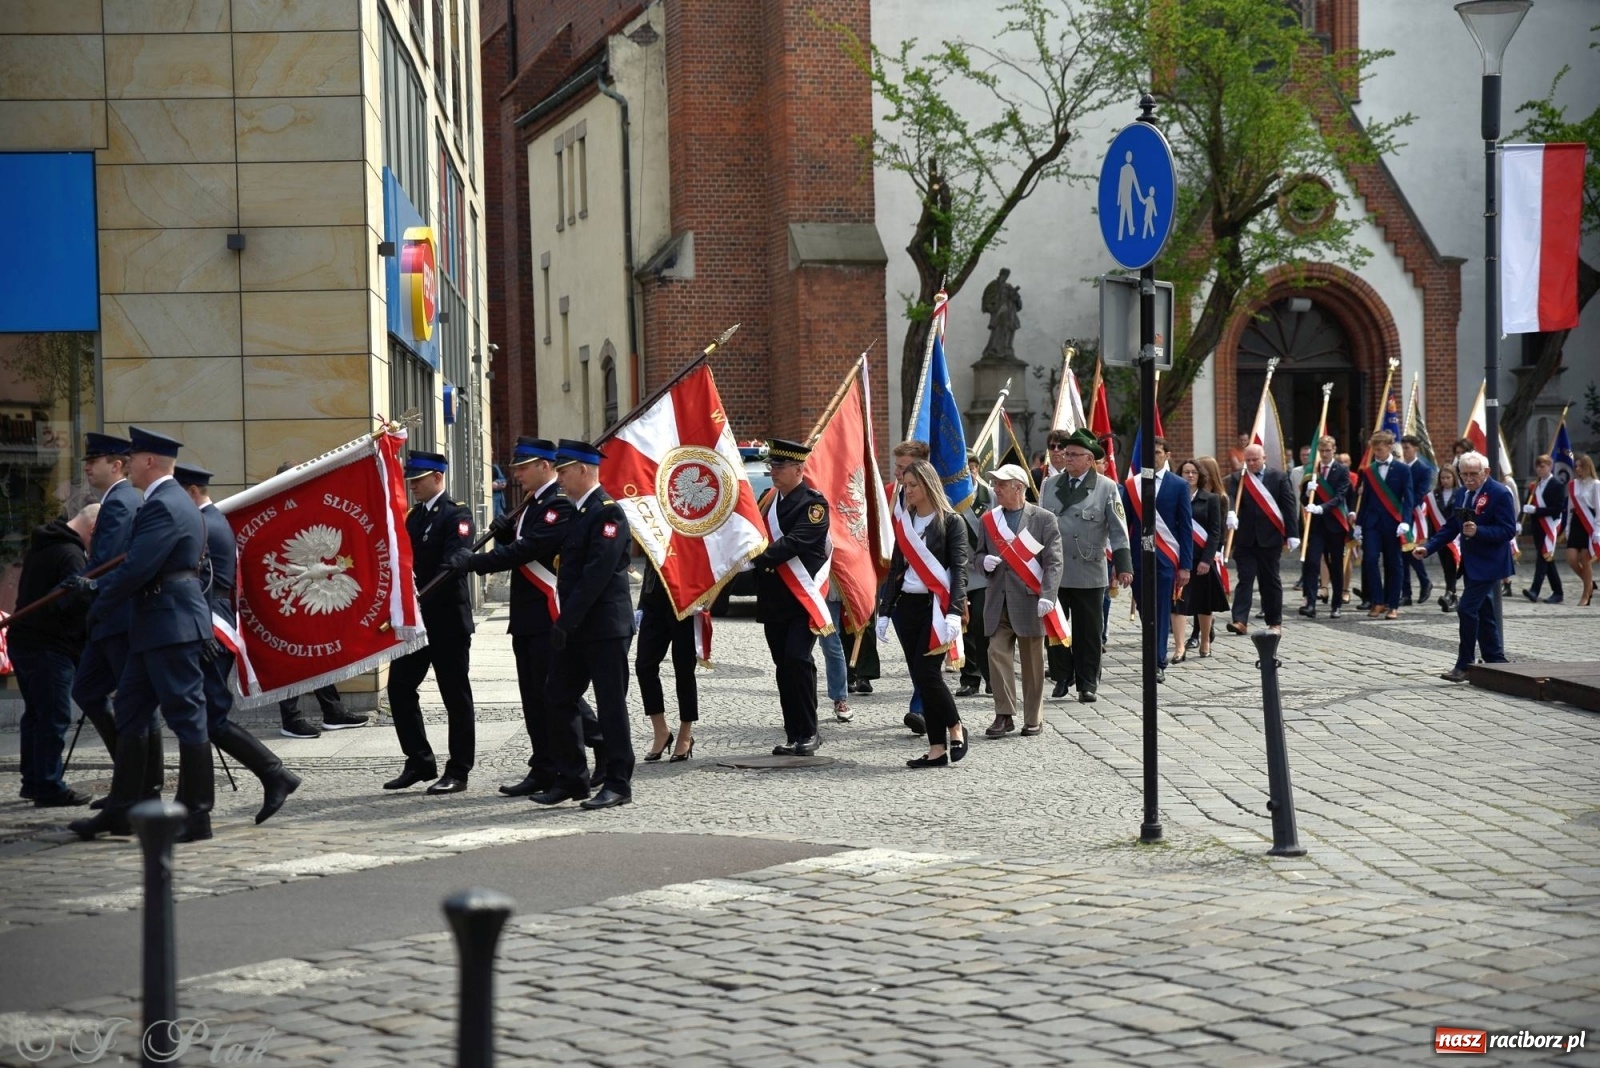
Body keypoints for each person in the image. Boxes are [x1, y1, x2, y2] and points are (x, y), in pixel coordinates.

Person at [68, 427, 214, 842]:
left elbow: (137, 567)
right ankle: (123, 809)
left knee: (186, 716)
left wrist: (96, 594)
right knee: (131, 710)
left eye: (132, 457)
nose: (127, 464)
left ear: (149, 461)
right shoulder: (166, 501)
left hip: (170, 623)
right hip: (156, 622)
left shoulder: (164, 504)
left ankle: (196, 813)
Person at [460, 437, 604, 795]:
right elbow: (523, 542)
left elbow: (530, 549)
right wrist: (507, 531)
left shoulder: (558, 504)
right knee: (534, 698)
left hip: (547, 613)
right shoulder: (531, 503)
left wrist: (475, 562)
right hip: (526, 615)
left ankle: (601, 743)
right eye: (516, 468)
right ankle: (543, 767)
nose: (517, 474)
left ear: (545, 466)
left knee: (556, 693)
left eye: (524, 467)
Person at [175, 463, 301, 825]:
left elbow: (200, 584)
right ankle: (189, 802)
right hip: (210, 622)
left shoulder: (204, 524)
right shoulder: (210, 520)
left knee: (207, 717)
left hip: (210, 626)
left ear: (191, 491)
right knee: (198, 717)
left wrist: (200, 629)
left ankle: (274, 773)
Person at [530, 440, 638, 809]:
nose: (558, 478)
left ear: (583, 470)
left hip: (605, 627)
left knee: (610, 706)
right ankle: (572, 778)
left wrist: (566, 620)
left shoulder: (608, 514)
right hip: (577, 627)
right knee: (558, 695)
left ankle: (618, 783)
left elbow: (596, 574)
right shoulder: (579, 512)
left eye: (563, 471)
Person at [69, 432, 161, 804]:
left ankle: (144, 786)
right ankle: (133, 777)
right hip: (108, 619)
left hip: (118, 618)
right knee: (88, 691)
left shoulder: (121, 501)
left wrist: (79, 589)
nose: (88, 468)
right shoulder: (117, 500)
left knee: (135, 703)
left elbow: (106, 564)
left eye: (94, 461)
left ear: (117, 465)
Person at [383, 451, 477, 794]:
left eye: (418, 481)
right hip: (418, 623)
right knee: (399, 688)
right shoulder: (414, 516)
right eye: (410, 481)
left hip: (447, 620)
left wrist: (420, 594)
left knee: (455, 695)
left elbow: (453, 560)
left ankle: (459, 770)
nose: (413, 487)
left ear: (438, 478)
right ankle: (419, 760)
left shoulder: (457, 514)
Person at [877, 458, 970, 768]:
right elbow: (895, 570)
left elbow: (959, 571)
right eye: (905, 485)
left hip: (936, 608)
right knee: (920, 676)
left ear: (929, 485)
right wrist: (885, 611)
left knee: (927, 673)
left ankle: (955, 726)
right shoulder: (906, 521)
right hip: (908, 607)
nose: (908, 490)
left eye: (913, 485)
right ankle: (936, 748)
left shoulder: (952, 522)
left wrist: (954, 612)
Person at [11, 504, 99, 807]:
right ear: (93, 529)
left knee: (36, 714)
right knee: (53, 715)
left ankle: (33, 781)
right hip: (49, 644)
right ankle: (48, 786)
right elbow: (72, 605)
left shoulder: (44, 544)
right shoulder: (71, 554)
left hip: (25, 639)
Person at [750, 438, 832, 756]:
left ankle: (810, 731)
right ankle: (793, 733)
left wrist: (756, 559)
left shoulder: (813, 505)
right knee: (783, 666)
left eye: (780, 466)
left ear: (798, 470)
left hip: (800, 598)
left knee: (798, 659)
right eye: (772, 465)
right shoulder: (767, 501)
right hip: (773, 599)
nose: (773, 471)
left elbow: (796, 542)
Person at [1040, 429, 1131, 702]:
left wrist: (1123, 565)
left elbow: (1118, 529)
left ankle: (1087, 682)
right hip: (1055, 569)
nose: (1066, 457)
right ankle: (1061, 676)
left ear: (1090, 459)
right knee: (1055, 627)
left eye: (1074, 454)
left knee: (1088, 631)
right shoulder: (1050, 485)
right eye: (1066, 453)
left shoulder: (1106, 487)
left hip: (1088, 568)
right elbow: (1039, 525)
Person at [976, 463, 1062, 737]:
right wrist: (983, 562)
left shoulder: (1043, 519)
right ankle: (1004, 714)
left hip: (1030, 601)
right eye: (995, 484)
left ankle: (1033, 717)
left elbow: (1053, 562)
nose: (995, 489)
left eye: (1001, 484)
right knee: (996, 654)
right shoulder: (988, 520)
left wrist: (1048, 596)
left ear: (1019, 487)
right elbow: (977, 555)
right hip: (997, 600)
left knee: (1033, 663)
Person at [1415, 451, 1516, 682]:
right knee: (1484, 611)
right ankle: (1495, 659)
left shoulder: (1500, 493)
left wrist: (1480, 531)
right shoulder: (1462, 494)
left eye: (1473, 474)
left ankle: (1464, 664)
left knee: (1466, 609)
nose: (1469, 479)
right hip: (1471, 562)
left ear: (1486, 472)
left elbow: (1508, 530)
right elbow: (1451, 527)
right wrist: (1428, 547)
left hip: (1490, 562)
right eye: (1464, 474)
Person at [1122, 437, 1192, 678]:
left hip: (1165, 558)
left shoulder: (1178, 485)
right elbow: (1124, 525)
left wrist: (1185, 566)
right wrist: (1121, 561)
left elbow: (1185, 527)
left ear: (1167, 455)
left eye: (1158, 452)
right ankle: (1154, 650)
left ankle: (1157, 662)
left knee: (1161, 610)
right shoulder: (1132, 485)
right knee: (1145, 610)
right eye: (1149, 452)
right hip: (1138, 557)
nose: (1153, 457)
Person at [1224, 443, 1297, 635]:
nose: (1251, 463)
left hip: (1270, 538)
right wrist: (1230, 512)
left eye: (1254, 460)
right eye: (1247, 460)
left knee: (1270, 580)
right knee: (1245, 579)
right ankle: (1240, 620)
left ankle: (1274, 621)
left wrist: (1293, 533)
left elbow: (1288, 506)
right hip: (1245, 539)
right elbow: (1231, 498)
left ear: (1264, 458)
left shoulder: (1278, 477)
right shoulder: (1238, 478)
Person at [636, 565, 703, 759]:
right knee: (644, 666)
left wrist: (709, 597)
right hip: (653, 597)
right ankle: (661, 731)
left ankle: (685, 734)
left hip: (687, 598)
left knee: (684, 669)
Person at [1353, 430, 1413, 619]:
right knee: (1370, 560)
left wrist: (1405, 521)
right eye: (1375, 450)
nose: (1377, 453)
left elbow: (1408, 498)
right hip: (1372, 523)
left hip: (1393, 523)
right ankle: (1377, 601)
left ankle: (1393, 605)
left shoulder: (1402, 470)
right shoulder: (1369, 471)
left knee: (1394, 563)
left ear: (1389, 447)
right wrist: (1358, 525)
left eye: (1379, 449)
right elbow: (1365, 500)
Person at [1175, 458, 1227, 658]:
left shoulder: (1211, 499)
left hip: (1201, 559)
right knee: (1179, 602)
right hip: (1180, 558)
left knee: (1204, 603)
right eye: (1186, 472)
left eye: (1193, 472)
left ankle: (1205, 640)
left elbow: (1215, 532)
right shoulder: (1175, 497)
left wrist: (1207, 559)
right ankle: (1180, 646)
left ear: (1200, 476)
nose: (1190, 475)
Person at [1298, 435, 1351, 619]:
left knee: (1335, 565)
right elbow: (1304, 500)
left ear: (1334, 450)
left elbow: (1340, 496)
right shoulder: (1313, 470)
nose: (1325, 454)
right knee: (1312, 563)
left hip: (1335, 524)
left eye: (1328, 450)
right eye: (1322, 451)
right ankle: (1311, 604)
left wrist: (1321, 508)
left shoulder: (1342, 470)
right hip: (1317, 527)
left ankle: (1336, 605)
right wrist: (1307, 492)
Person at [956, 451, 992, 699]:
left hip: (982, 571)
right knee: (964, 625)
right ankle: (969, 677)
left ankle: (991, 676)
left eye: (971, 467)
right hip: (959, 570)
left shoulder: (988, 494)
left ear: (977, 468)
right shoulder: (950, 496)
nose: (968, 473)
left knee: (981, 622)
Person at [1522, 453, 1567, 604]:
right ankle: (1558, 592)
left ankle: (1535, 590)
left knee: (1543, 558)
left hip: (1550, 526)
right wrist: (1521, 519)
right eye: (1538, 467)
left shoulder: (1557, 485)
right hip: (1537, 527)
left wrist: (1536, 510)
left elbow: (1558, 508)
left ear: (1550, 466)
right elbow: (1528, 504)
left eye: (1543, 466)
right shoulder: (1534, 485)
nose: (1539, 469)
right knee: (1547, 558)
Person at [1399, 435, 1436, 606]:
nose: (1404, 451)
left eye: (1407, 448)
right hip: (1398, 513)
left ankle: (1423, 582)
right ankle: (1408, 591)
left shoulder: (1423, 469)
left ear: (1416, 449)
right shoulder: (1399, 467)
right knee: (1403, 554)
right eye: (1403, 448)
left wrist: (1406, 506)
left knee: (1410, 551)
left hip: (1414, 514)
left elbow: (1421, 493)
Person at [1427, 465, 1463, 610]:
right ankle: (1450, 593)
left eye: (1448, 477)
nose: (1445, 481)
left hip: (1456, 536)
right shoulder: (1434, 495)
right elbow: (1430, 517)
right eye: (1442, 478)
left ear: (1454, 478)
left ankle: (1450, 593)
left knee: (1455, 565)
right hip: (1440, 535)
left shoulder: (1460, 493)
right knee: (1447, 566)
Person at [1566, 453, 1598, 606]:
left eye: (1580, 466)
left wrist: (1597, 531)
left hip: (1589, 523)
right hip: (1576, 523)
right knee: (1571, 558)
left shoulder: (1596, 484)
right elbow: (1569, 508)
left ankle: (1586, 595)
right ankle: (1589, 583)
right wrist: (1567, 528)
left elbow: (1599, 509)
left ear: (1587, 467)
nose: (1577, 469)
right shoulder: (1573, 484)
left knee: (1585, 559)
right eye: (1576, 466)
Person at [819, 584, 852, 722]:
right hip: (800, 590)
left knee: (831, 645)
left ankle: (840, 698)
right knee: (797, 652)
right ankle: (799, 704)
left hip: (827, 591)